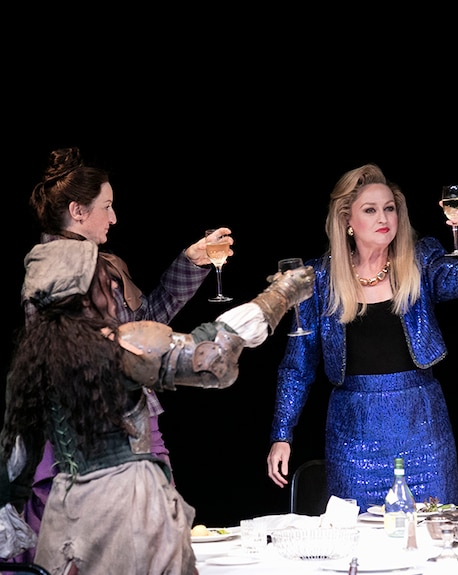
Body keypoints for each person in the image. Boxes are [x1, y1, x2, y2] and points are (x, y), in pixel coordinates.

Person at [0, 239, 314, 573]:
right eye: (106, 283)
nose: (114, 290)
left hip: (67, 514)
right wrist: (280, 295)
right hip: (126, 509)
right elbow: (212, 357)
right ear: (89, 296)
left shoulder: (32, 366)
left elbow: (15, 464)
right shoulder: (119, 348)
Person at [11, 147, 227, 564]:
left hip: (133, 418)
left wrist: (191, 262)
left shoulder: (101, 266)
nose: (113, 218)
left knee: (152, 538)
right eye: (106, 207)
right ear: (77, 210)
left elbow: (145, 324)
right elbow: (93, 355)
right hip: (94, 430)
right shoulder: (56, 271)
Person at [265, 164, 458, 512]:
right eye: (370, 210)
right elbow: (298, 364)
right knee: (361, 539)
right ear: (347, 222)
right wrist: (282, 433)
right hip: (354, 432)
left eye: (389, 208)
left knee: (433, 532)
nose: (383, 217)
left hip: (422, 427)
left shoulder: (420, 258)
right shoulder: (319, 278)